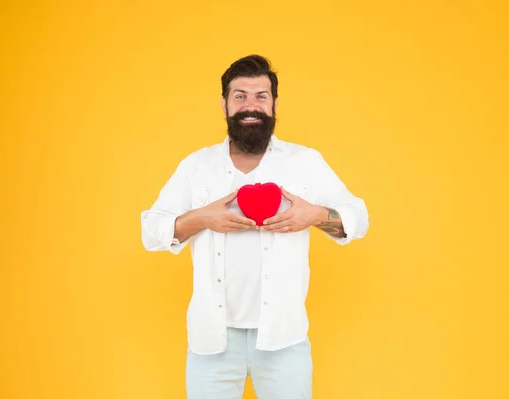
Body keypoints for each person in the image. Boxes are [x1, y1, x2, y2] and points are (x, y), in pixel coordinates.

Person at [141, 55, 369, 399]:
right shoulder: (196, 166)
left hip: (284, 341)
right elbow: (150, 231)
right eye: (240, 96)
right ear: (224, 104)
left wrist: (316, 215)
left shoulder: (304, 162)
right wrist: (203, 217)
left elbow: (359, 219)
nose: (251, 105)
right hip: (211, 343)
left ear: (274, 103)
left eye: (261, 96)